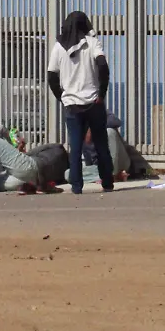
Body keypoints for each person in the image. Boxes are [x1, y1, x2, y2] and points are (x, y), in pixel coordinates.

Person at [47, 11, 115, 194]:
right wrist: (101, 92)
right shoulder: (93, 43)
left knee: (75, 147)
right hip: (93, 102)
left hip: (72, 104)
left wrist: (61, 96)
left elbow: (51, 75)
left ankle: (77, 187)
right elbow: (103, 66)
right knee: (100, 144)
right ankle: (107, 182)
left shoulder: (59, 47)